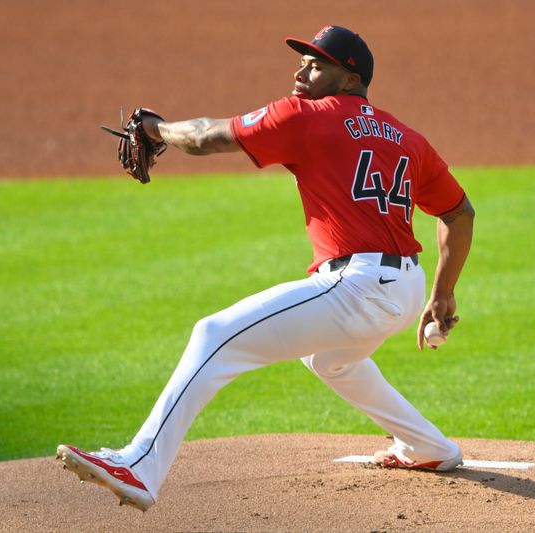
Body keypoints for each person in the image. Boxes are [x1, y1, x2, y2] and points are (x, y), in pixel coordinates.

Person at [57, 24, 475, 512]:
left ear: (348, 78)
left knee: (214, 334)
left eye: (316, 64)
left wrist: (154, 129)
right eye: (302, 60)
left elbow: (207, 137)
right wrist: (443, 293)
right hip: (403, 287)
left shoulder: (308, 116)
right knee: (329, 358)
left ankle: (138, 465)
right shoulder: (406, 137)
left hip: (358, 286)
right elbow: (459, 213)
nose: (301, 70)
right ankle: (428, 447)